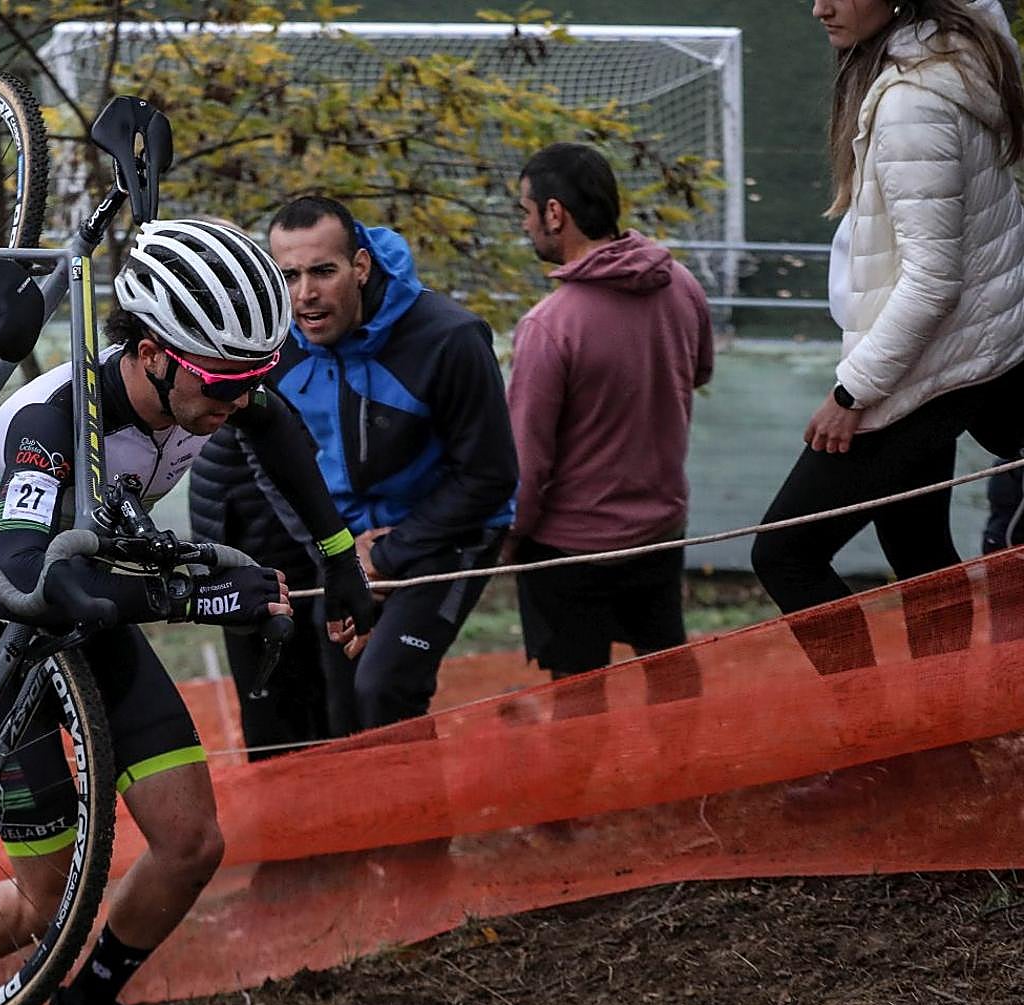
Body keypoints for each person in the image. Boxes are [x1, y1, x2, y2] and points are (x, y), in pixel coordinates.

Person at [0, 218, 377, 1005]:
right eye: (225, 383)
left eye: (257, 375)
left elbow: (277, 429)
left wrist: (338, 557)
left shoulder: (210, 384)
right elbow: (32, 582)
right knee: (45, 900)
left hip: (96, 613)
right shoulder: (51, 421)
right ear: (153, 353)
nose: (241, 398)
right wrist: (196, 597)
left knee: (192, 844)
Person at [753, 0, 1024, 616]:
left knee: (785, 556)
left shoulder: (912, 104)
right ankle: (949, 683)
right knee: (919, 550)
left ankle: (875, 690)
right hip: (960, 352)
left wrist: (851, 394)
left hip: (932, 368)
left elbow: (933, 281)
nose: (819, 8)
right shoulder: (955, 55)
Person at [267, 195, 519, 730]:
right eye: (289, 276)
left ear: (360, 267)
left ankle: (416, 793)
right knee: (342, 705)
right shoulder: (275, 345)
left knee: (384, 687)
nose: (305, 294)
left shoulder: (450, 337)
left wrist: (386, 555)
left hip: (451, 535)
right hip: (346, 545)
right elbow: (268, 460)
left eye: (323, 271)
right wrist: (337, 552)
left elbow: (490, 476)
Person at [507, 143, 716, 677]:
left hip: (568, 550)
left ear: (555, 213)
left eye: (526, 211)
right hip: (661, 532)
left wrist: (509, 539)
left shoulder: (548, 326)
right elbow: (699, 372)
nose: (525, 225)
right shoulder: (682, 285)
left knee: (578, 699)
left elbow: (528, 459)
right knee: (671, 675)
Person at [187, 422, 334, 757]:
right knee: (284, 723)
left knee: (306, 712)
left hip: (259, 547)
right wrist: (339, 558)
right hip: (261, 552)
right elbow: (276, 469)